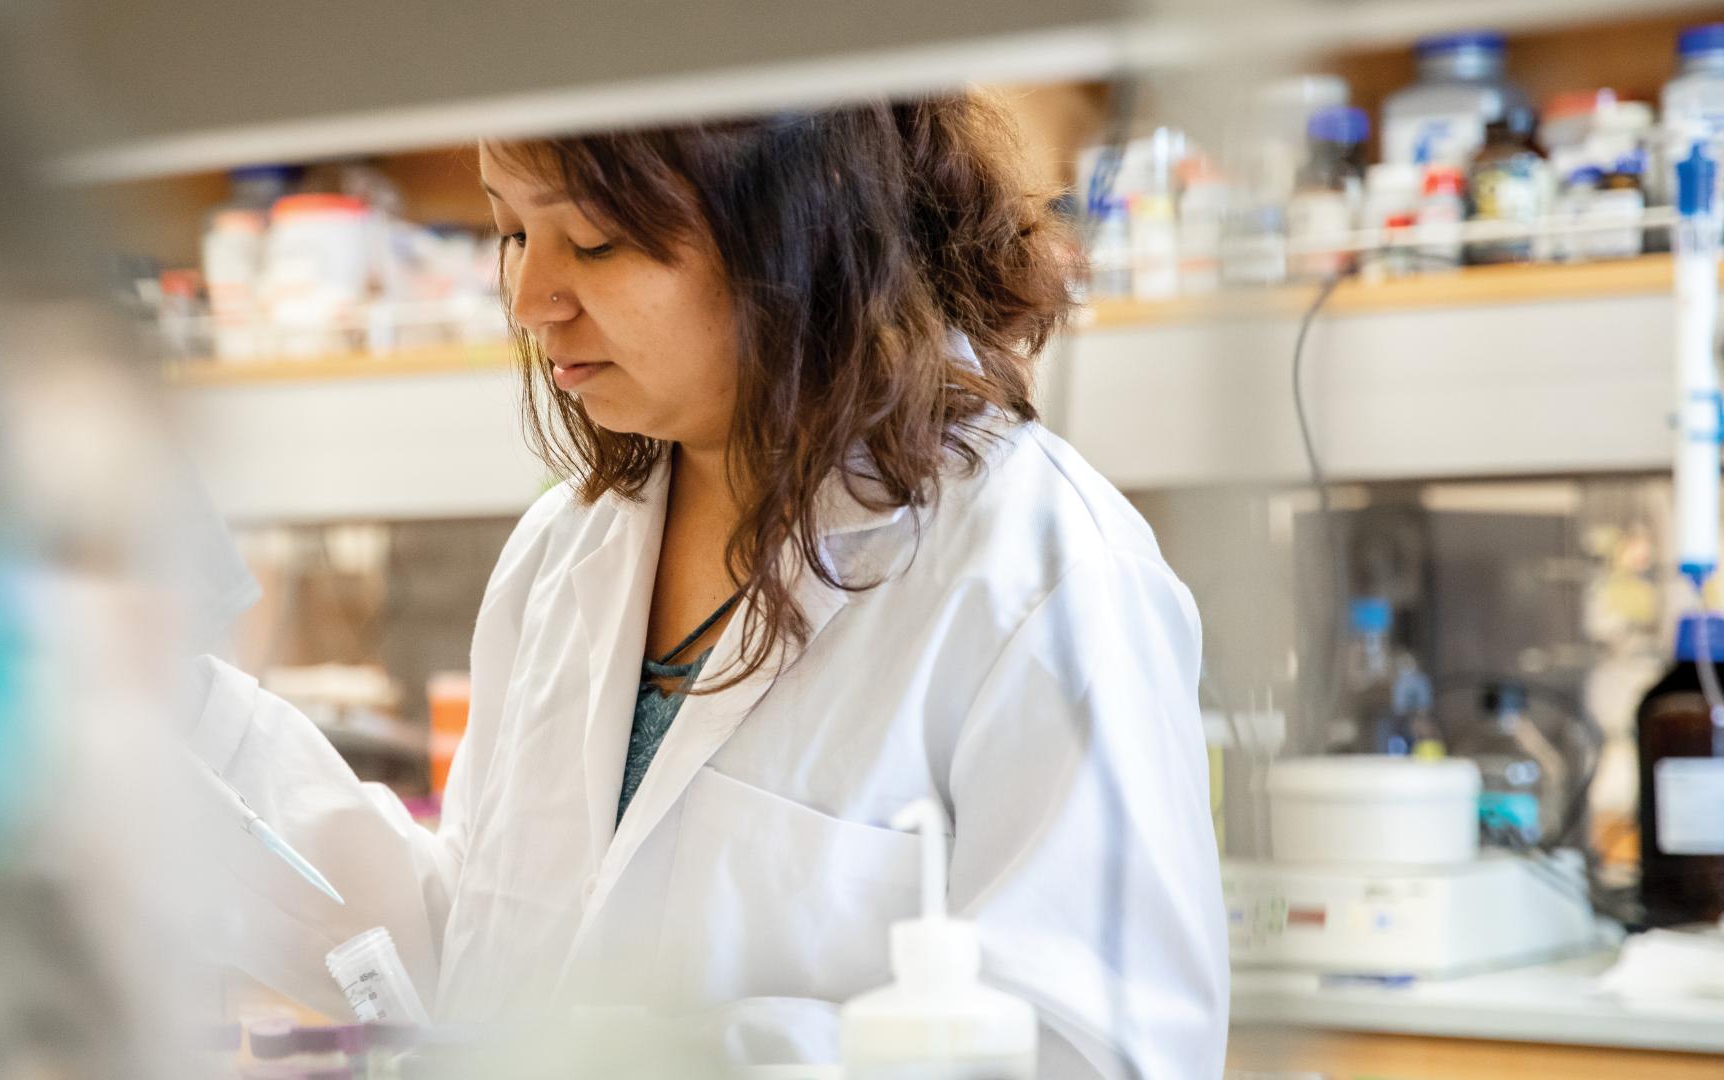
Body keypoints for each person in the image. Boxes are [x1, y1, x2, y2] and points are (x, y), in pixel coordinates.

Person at [185, 95, 1227, 1076]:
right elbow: (492, 964)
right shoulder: (565, 553)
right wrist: (183, 722)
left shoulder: (1043, 577)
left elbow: (1106, 1051)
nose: (531, 298)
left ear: (797, 228)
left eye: (593, 240)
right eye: (512, 233)